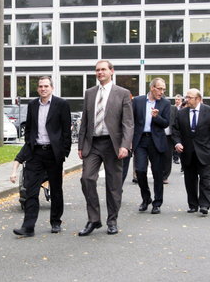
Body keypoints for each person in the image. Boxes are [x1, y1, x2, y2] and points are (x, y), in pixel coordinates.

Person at [78, 60, 134, 236]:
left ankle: (112, 221)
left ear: (111, 71)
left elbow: (128, 123)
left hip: (113, 145)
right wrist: (80, 145)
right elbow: (85, 122)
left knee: (113, 185)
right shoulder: (90, 93)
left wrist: (125, 145)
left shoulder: (123, 93)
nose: (100, 72)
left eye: (103, 69)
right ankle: (94, 220)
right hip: (92, 144)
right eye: (97, 70)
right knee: (87, 179)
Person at [13, 76, 72, 237]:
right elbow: (30, 128)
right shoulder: (32, 105)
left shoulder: (61, 104)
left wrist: (64, 153)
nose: (43, 89)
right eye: (40, 86)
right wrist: (29, 145)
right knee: (30, 190)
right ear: (38, 89)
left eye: (46, 86)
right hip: (36, 153)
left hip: (53, 154)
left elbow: (66, 131)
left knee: (56, 189)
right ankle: (28, 226)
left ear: (52, 88)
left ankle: (55, 222)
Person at [173, 89, 210, 215]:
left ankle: (204, 205)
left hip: (205, 151)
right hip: (187, 151)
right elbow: (175, 130)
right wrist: (177, 142)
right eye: (186, 97)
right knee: (190, 179)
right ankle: (192, 204)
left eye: (190, 97)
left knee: (205, 178)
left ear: (198, 99)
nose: (187, 100)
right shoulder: (181, 113)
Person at [132, 78, 170, 214]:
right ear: (152, 88)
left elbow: (166, 123)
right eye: (159, 89)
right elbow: (131, 120)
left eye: (163, 89)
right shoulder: (138, 101)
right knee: (140, 171)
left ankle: (157, 203)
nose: (162, 92)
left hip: (156, 141)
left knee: (157, 173)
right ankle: (146, 198)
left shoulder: (165, 103)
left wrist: (156, 117)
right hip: (140, 140)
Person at [172, 94, 183, 165]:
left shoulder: (183, 107)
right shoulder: (172, 107)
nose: (177, 101)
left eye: (178, 99)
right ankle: (175, 158)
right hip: (174, 127)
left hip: (181, 128)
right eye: (176, 99)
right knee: (175, 143)